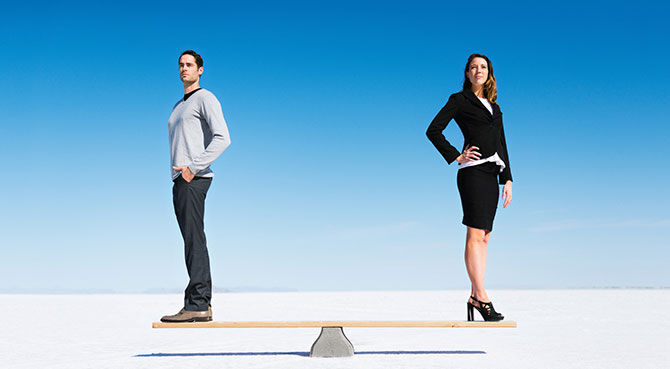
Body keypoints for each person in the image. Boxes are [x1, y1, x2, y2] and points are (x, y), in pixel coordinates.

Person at [426, 54, 513, 321]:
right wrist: (456, 155)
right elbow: (434, 130)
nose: (479, 70)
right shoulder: (459, 100)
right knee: (475, 235)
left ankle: (477, 295)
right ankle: (480, 296)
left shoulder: (495, 108)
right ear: (467, 73)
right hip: (472, 173)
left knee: (485, 236)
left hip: (492, 173)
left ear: (489, 73)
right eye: (473, 67)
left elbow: (501, 143)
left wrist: (507, 179)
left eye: (483, 67)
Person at [161, 50, 231, 322]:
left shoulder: (205, 98)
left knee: (194, 240)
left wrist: (193, 167)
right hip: (181, 180)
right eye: (180, 65)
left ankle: (199, 303)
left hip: (194, 178)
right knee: (191, 240)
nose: (184, 69)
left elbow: (223, 138)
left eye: (190, 65)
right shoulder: (179, 105)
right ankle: (197, 302)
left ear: (200, 69)